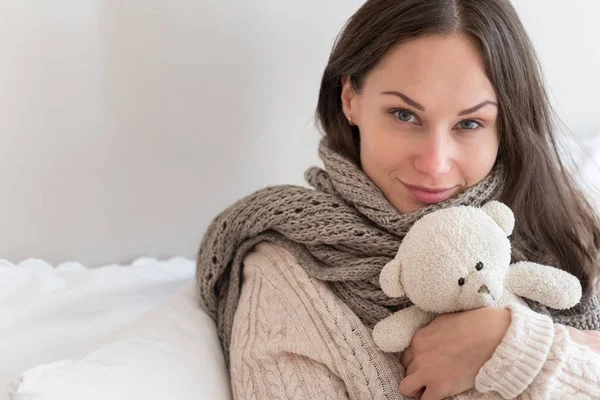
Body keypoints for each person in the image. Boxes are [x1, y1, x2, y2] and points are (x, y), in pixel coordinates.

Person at [196, 0, 600, 398]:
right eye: (405, 115)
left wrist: (515, 345)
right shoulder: (286, 274)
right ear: (350, 100)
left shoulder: (567, 224)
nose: (434, 164)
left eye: (470, 123)